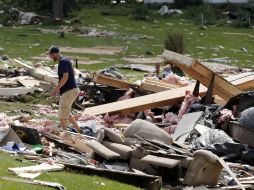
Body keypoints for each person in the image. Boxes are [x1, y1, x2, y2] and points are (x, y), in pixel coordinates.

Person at [48, 46, 81, 133]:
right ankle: (79, 130)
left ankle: (65, 136)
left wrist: (56, 89)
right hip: (73, 89)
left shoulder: (62, 62)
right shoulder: (66, 59)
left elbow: (65, 77)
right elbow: (73, 72)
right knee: (66, 111)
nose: (50, 57)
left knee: (62, 116)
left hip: (69, 91)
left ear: (54, 54)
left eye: (50, 55)